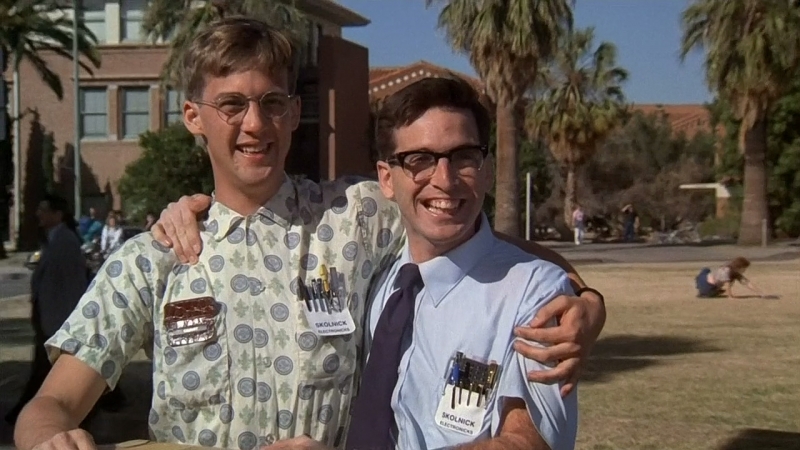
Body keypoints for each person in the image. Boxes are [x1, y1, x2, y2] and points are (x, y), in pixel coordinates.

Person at [14, 18, 604, 450]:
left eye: (272, 102)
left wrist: (585, 299)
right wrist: (49, 437)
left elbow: (467, 229)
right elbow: (53, 401)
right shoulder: (154, 258)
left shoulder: (356, 215)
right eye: (231, 105)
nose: (255, 124)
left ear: (295, 113)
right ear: (193, 116)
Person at [341, 77, 576, 449]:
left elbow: (528, 443)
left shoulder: (533, 294)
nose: (445, 180)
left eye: (464, 156)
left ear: (487, 169)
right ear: (387, 179)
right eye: (419, 160)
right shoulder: (382, 282)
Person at [5, 195, 87, 425]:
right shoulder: (54, 239)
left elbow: (72, 285)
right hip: (49, 321)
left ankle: (25, 416)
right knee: (45, 371)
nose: (38, 214)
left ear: (57, 214)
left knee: (48, 372)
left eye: (44, 209)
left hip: (57, 321)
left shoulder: (65, 241)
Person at [695, 256, 763, 298]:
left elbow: (747, 283)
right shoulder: (726, 271)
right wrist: (730, 296)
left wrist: (760, 293)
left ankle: (703, 291)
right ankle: (704, 291)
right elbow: (727, 285)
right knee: (705, 270)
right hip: (707, 285)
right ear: (739, 267)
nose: (745, 270)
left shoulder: (734, 272)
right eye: (744, 268)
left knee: (705, 270)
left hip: (707, 284)